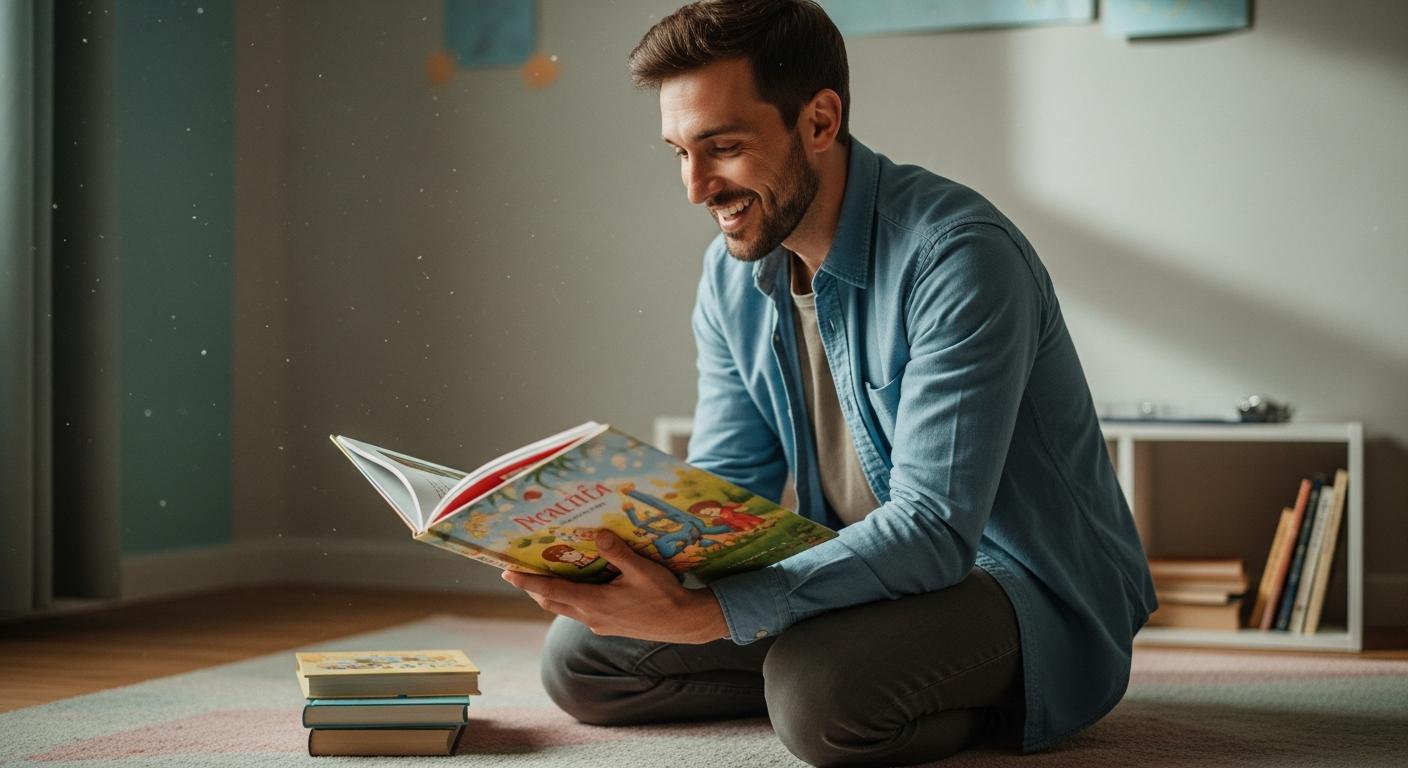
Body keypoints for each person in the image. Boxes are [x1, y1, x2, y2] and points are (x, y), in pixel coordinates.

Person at [500, 1, 1158, 765]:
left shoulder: (960, 257)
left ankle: (968, 694)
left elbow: (936, 532)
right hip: (868, 569)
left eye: (723, 148)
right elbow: (726, 486)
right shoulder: (731, 276)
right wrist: (617, 557)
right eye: (679, 152)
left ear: (819, 121)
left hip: (1017, 583)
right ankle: (831, 671)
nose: (695, 187)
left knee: (817, 693)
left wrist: (713, 616)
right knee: (582, 659)